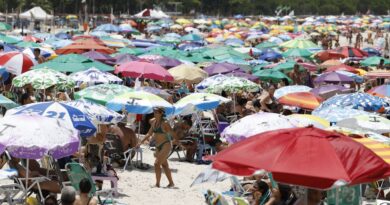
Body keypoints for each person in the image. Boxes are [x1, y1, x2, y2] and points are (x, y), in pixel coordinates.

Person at [137, 107, 175, 188]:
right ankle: (171, 183)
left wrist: (177, 142)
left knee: (156, 164)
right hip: (158, 146)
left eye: (157, 112)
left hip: (166, 144)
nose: (154, 113)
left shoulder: (165, 123)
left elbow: (172, 133)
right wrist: (141, 142)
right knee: (164, 165)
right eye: (154, 112)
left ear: (161, 113)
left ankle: (157, 184)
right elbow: (149, 133)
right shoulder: (154, 122)